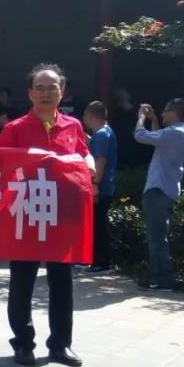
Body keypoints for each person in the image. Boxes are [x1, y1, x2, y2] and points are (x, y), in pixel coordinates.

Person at [0, 63, 94, 367]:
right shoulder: (15, 128)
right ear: (30, 93)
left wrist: (88, 162)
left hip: (62, 214)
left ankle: (61, 344)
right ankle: (23, 343)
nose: (46, 93)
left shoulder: (72, 125)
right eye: (40, 87)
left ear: (62, 92)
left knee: (61, 281)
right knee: (22, 281)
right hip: (25, 213)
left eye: (53, 88)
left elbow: (82, 152)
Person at [134, 98, 184, 291]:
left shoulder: (174, 133)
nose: (162, 114)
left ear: (175, 113)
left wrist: (141, 117)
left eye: (165, 111)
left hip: (158, 190)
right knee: (159, 236)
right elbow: (158, 139)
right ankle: (160, 276)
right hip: (168, 188)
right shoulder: (182, 133)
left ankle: (162, 279)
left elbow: (140, 135)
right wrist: (153, 121)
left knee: (156, 238)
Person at [82, 100, 118, 274]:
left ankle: (101, 263)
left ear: (91, 115)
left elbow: (100, 161)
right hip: (106, 185)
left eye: (85, 115)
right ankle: (99, 261)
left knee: (97, 226)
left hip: (100, 187)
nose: (83, 119)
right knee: (98, 224)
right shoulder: (105, 132)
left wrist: (95, 183)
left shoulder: (101, 135)